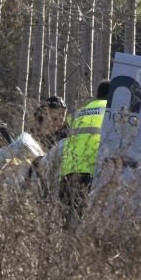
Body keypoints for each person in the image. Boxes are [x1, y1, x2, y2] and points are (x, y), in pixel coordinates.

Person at [58, 80, 109, 229]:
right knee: (85, 227)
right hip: (91, 173)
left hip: (68, 172)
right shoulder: (109, 112)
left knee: (66, 226)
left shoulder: (79, 112)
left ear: (97, 94)